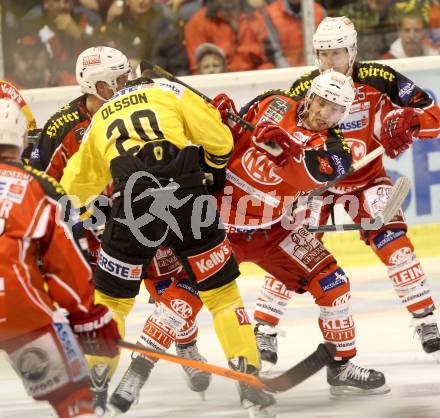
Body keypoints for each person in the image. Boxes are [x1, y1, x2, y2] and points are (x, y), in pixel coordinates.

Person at [59, 77, 276, 415]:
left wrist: (93, 214)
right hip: (187, 193)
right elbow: (219, 141)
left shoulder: (99, 120)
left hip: (131, 202)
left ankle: (95, 386)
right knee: (222, 295)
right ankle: (248, 381)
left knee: (112, 305)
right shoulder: (169, 92)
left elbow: (72, 187)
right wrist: (215, 172)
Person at [252, 16, 440, 371]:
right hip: (316, 186)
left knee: (393, 243)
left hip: (367, 180)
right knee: (290, 249)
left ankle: (426, 320)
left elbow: (431, 112)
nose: (327, 63)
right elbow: (278, 132)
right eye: (321, 54)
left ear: (352, 51)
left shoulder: (379, 79)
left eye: (335, 54)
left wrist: (412, 122)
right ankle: (264, 326)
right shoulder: (305, 87)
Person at [0, 97, 121, 418]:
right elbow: (67, 264)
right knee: (75, 397)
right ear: (22, 141)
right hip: (14, 307)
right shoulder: (41, 188)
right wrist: (89, 320)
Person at [184, 0, 274, 73]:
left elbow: (270, 59)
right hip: (217, 83)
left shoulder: (256, 17)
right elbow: (197, 68)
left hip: (256, 80)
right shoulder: (198, 22)